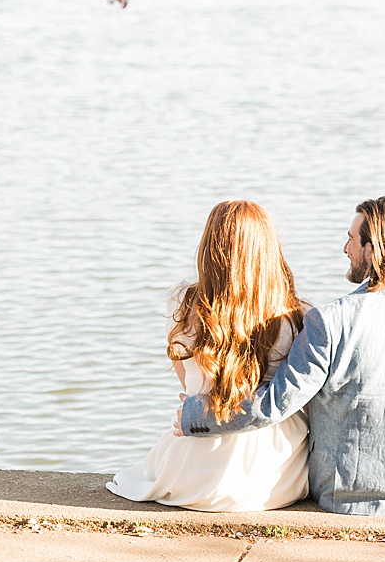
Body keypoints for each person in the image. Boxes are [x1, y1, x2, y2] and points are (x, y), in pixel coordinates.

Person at [176, 196, 385, 515]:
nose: (345, 249)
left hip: (343, 491)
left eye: (351, 239)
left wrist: (196, 415)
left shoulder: (328, 322)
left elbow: (274, 404)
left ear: (373, 250)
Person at [106, 199, 310, 511]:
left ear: (209, 247)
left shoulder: (182, 302)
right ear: (268, 249)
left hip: (195, 472)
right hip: (275, 478)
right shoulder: (299, 315)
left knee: (142, 472)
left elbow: (187, 383)